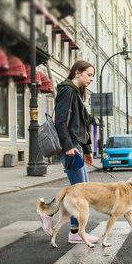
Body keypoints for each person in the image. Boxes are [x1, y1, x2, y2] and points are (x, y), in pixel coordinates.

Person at [37, 60, 100, 245]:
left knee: (80, 191)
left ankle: (49, 213)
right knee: (80, 193)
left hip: (76, 147)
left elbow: (83, 125)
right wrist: (68, 147)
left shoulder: (77, 94)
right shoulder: (67, 90)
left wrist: (87, 150)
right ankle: (73, 232)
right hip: (70, 148)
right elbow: (61, 122)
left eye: (93, 76)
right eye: (89, 74)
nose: (91, 79)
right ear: (77, 72)